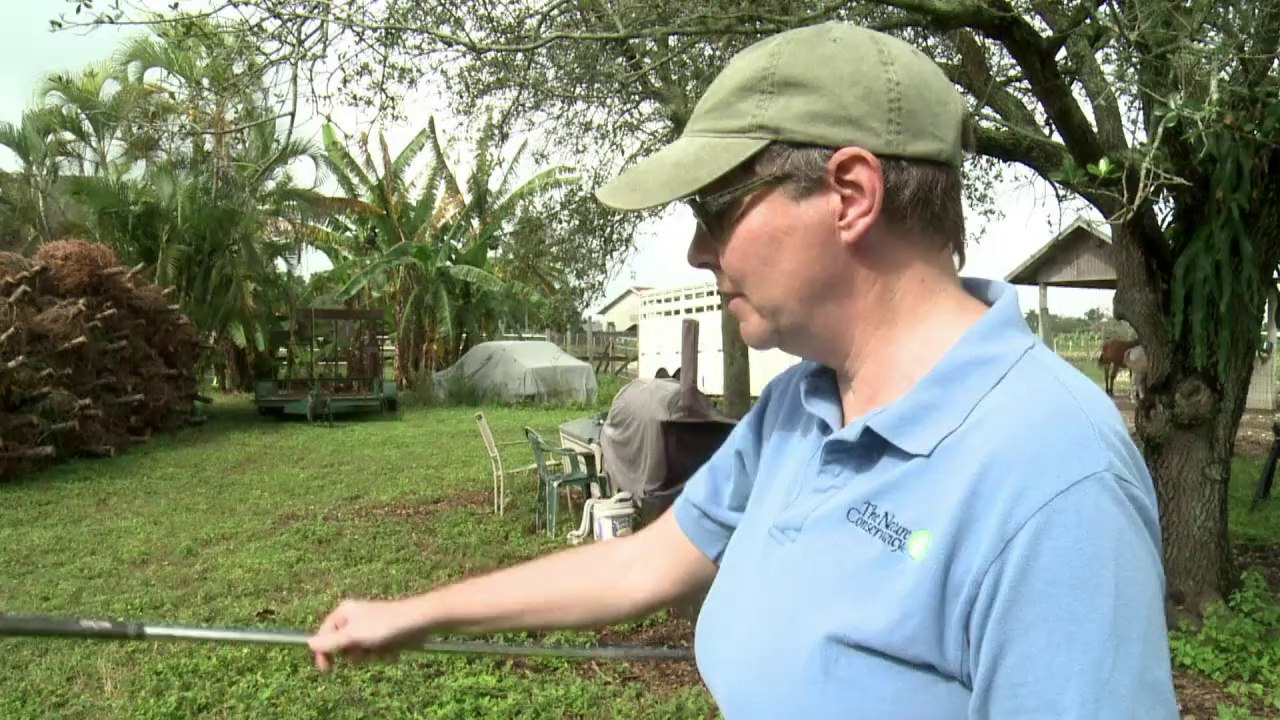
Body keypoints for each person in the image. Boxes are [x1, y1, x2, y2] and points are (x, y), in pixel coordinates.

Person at [307, 21, 1179, 718]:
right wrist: (417, 613)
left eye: (715, 208)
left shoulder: (1054, 478)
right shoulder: (801, 406)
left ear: (851, 195)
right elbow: (645, 566)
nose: (697, 249)